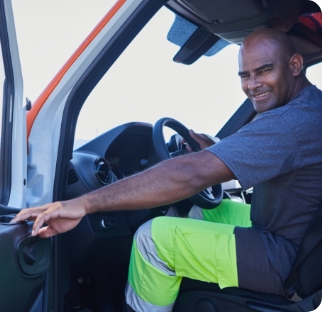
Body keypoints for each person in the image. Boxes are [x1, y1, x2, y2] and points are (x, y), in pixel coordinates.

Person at [12, 28, 322, 312]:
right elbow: (241, 153)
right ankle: (175, 278)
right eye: (245, 75)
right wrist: (210, 150)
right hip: (299, 235)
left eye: (264, 71)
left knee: (152, 238)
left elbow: (191, 174)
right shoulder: (308, 106)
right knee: (207, 211)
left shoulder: (292, 123)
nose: (253, 85)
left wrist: (83, 203)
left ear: (295, 65)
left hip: (286, 258)